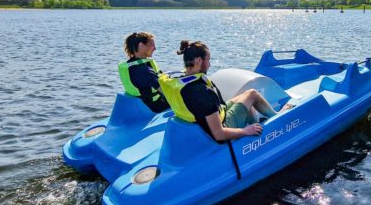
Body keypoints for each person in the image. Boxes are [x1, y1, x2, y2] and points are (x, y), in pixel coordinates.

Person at [160, 40, 291, 142]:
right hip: (218, 128)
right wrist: (245, 131)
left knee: (245, 96)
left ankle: (255, 124)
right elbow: (219, 134)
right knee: (252, 94)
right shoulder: (203, 92)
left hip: (201, 121)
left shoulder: (179, 80)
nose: (209, 64)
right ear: (199, 60)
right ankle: (276, 116)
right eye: (208, 60)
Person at [118, 32, 170, 113]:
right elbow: (167, 91)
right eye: (152, 45)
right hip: (154, 107)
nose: (155, 48)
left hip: (140, 104)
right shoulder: (144, 70)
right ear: (141, 45)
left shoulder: (131, 64)